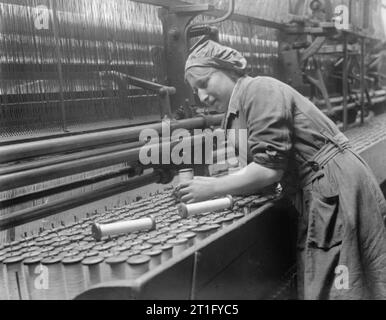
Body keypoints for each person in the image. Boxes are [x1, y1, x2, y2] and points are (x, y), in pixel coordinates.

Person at [177, 39, 386, 300]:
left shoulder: (259, 89)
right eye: (196, 90)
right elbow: (262, 170)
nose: (203, 96)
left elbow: (268, 170)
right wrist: (229, 183)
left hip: (335, 185)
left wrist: (212, 187)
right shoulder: (236, 111)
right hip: (321, 187)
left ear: (227, 68)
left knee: (339, 282)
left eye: (204, 83)